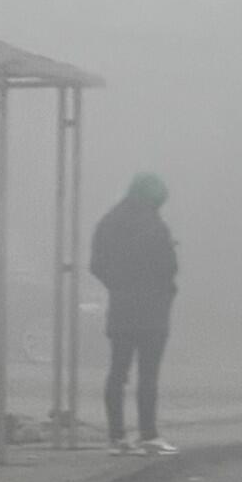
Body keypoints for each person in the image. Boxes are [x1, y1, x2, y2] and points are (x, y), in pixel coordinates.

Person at [91, 172, 179, 455]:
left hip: (122, 307)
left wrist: (117, 284)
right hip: (153, 309)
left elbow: (96, 265)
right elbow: (169, 267)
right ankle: (148, 433)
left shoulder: (108, 222)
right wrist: (165, 290)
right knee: (148, 374)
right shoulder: (155, 225)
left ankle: (116, 436)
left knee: (118, 372)